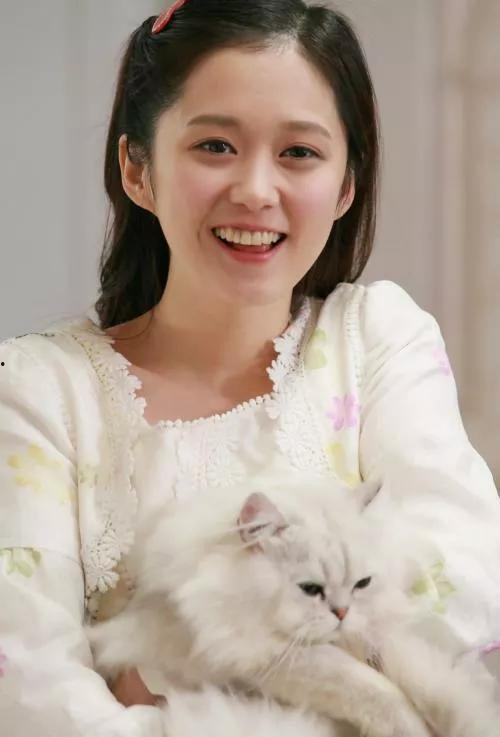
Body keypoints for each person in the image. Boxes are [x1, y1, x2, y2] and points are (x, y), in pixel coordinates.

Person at [1, 0, 500, 734]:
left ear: (347, 184)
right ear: (137, 168)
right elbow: (29, 690)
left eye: (299, 152)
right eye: (215, 146)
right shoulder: (38, 390)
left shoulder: (379, 341)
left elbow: (458, 595)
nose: (257, 191)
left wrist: (177, 657)